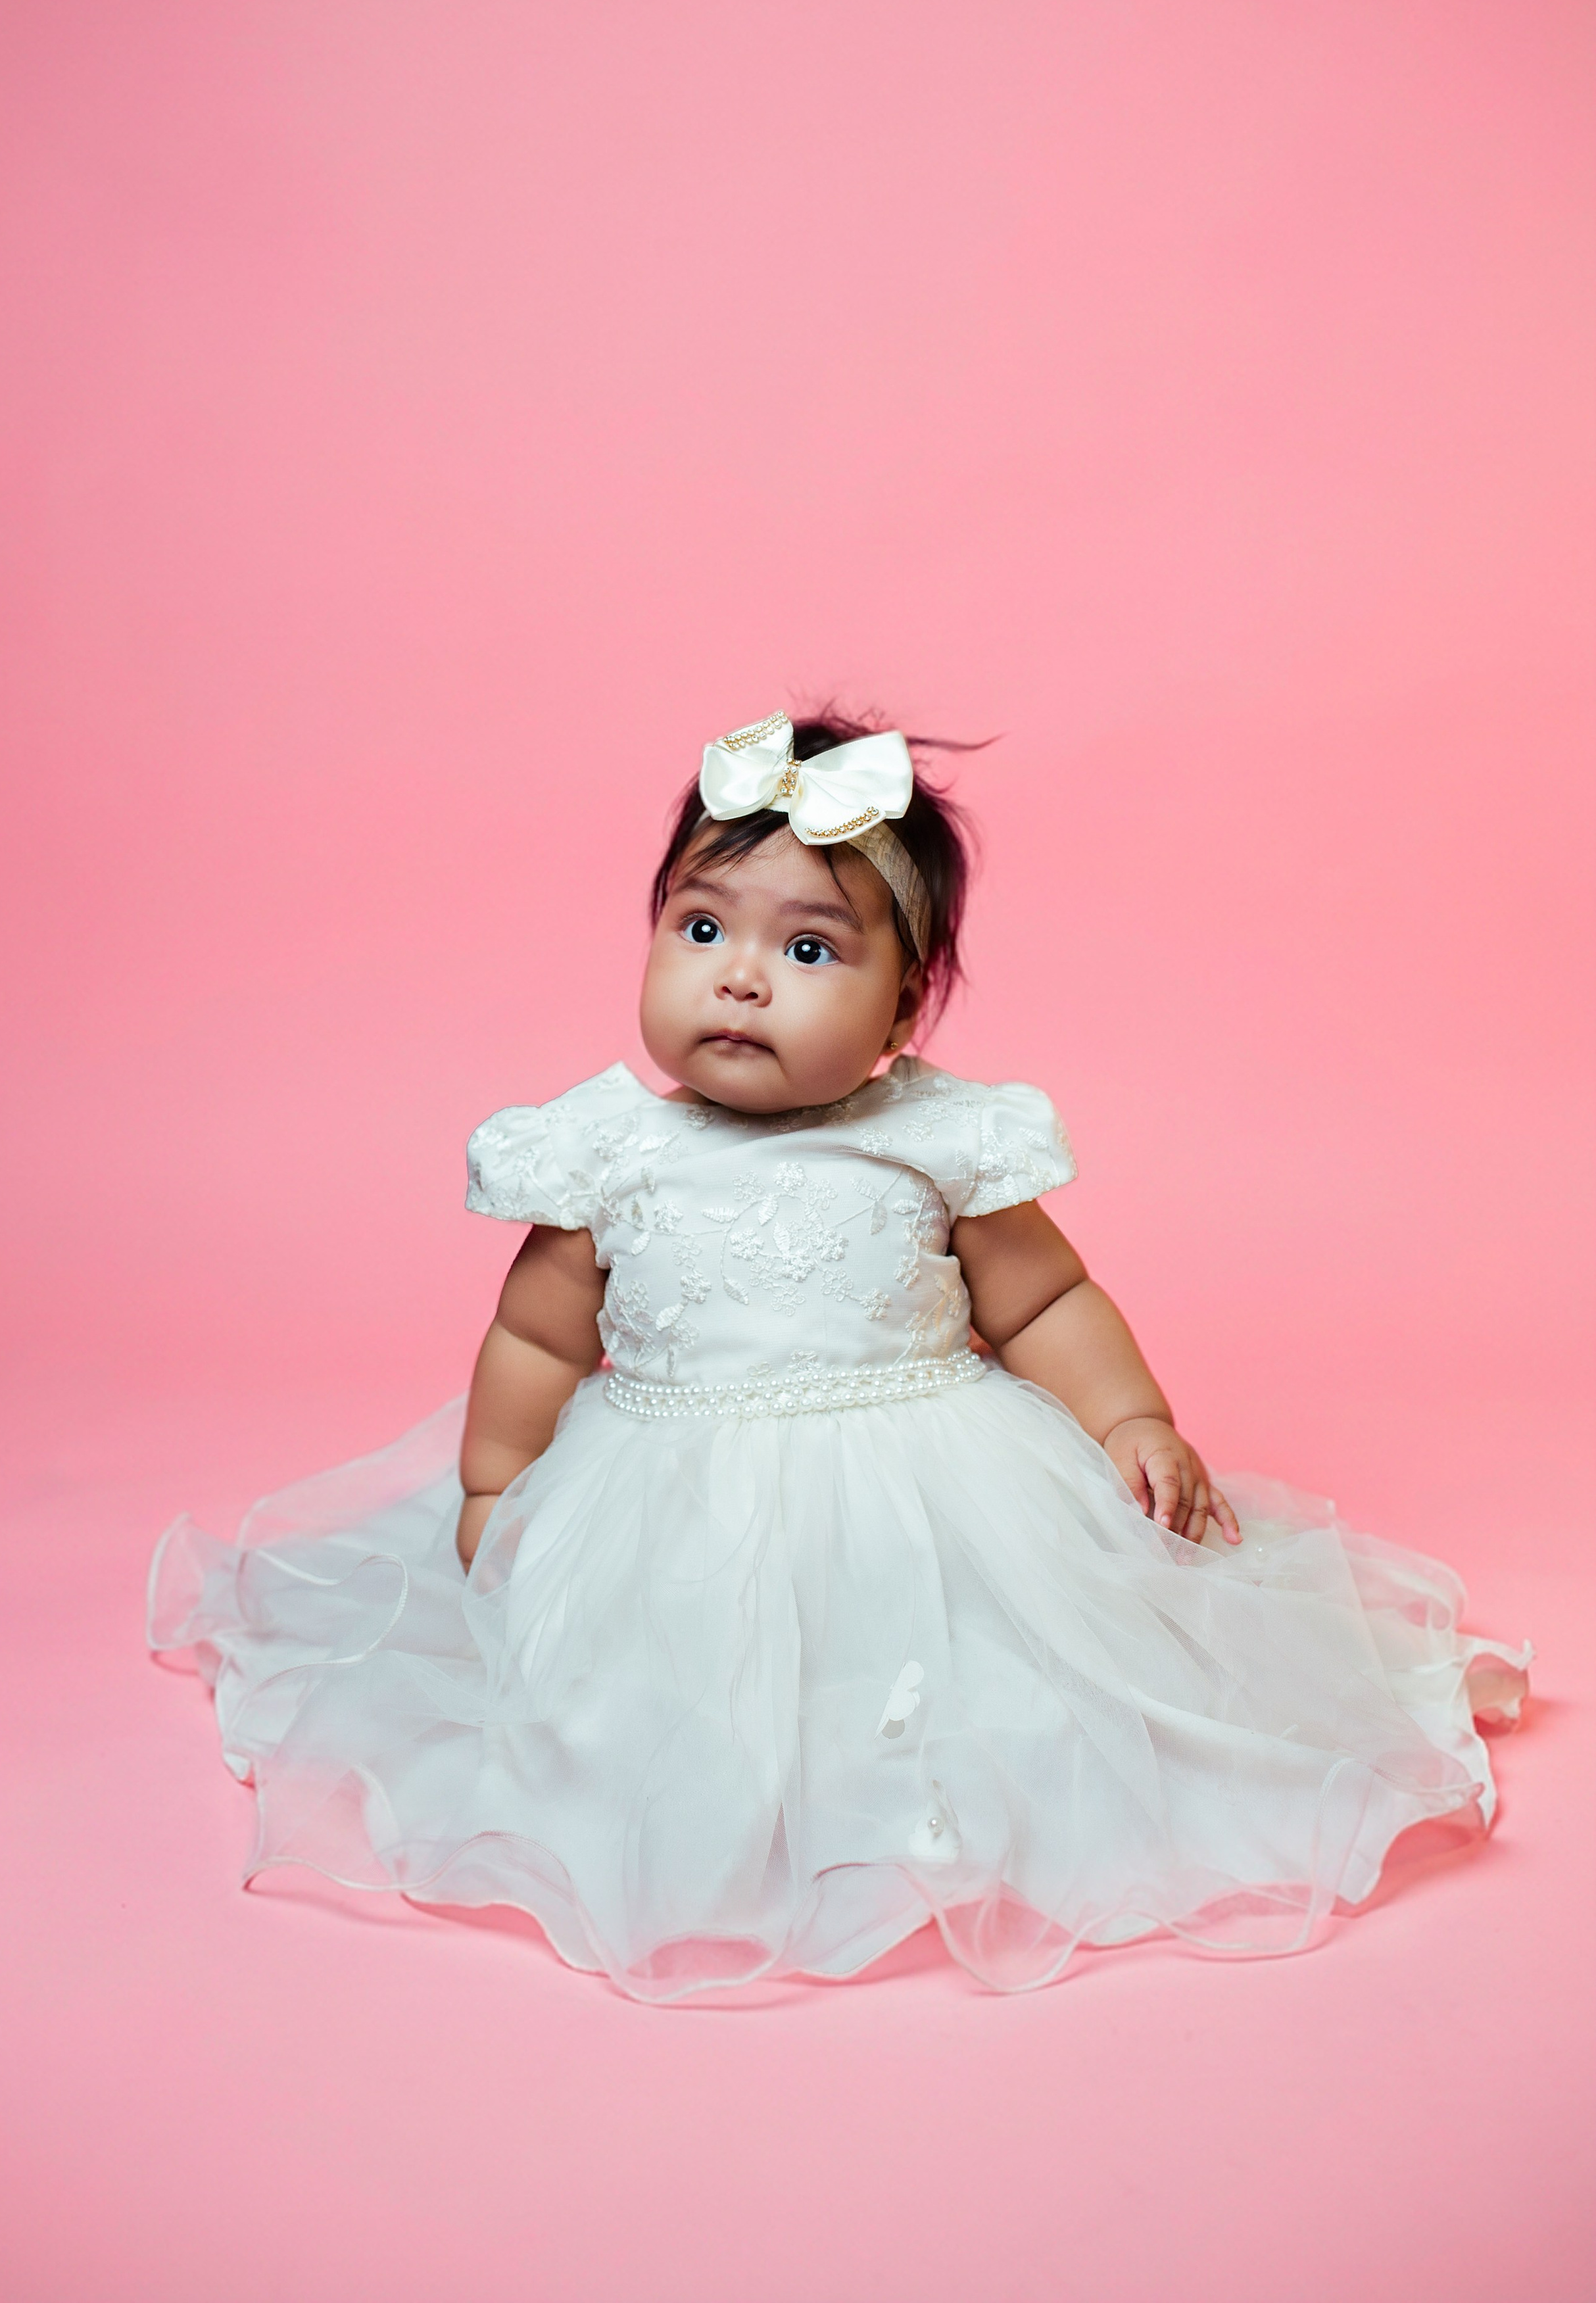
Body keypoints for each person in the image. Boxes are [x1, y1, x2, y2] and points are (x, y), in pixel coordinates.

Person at [150, 707, 1528, 2000]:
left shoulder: (929, 1141)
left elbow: (1044, 1307)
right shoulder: (608, 1154)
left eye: (810, 950)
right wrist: (496, 1488)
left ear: (903, 1008)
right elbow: (531, 1332)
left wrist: (1129, 1425)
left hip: (932, 1502)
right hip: (663, 1512)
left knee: (1009, 1693)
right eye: (701, 928)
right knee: (652, 1715)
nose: (740, 976)